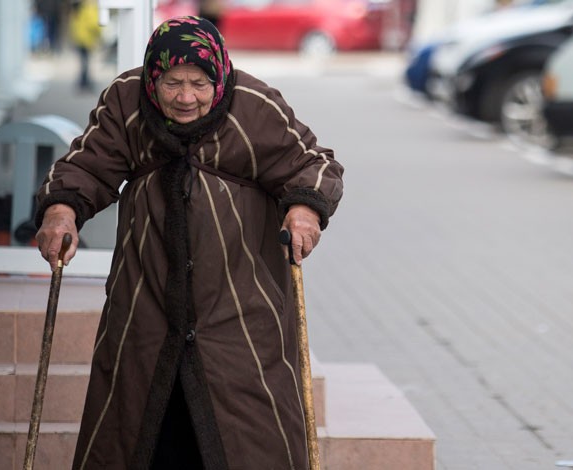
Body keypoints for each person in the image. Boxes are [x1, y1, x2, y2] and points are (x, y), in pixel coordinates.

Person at [34, 16, 344, 469]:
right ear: (153, 77)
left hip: (239, 311)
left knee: (250, 439)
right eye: (172, 83)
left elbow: (315, 165)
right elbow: (87, 165)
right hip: (146, 306)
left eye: (199, 83)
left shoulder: (255, 106)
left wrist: (304, 210)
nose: (184, 97)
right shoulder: (127, 101)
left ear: (218, 77)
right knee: (136, 434)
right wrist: (61, 211)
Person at [68, 0, 103, 91]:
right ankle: (85, 82)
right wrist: (100, 32)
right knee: (86, 62)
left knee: (83, 61)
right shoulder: (89, 6)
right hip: (87, 38)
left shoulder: (79, 7)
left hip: (80, 37)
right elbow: (93, 23)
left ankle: (83, 81)